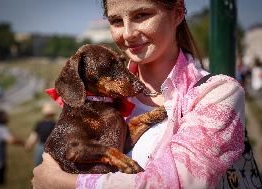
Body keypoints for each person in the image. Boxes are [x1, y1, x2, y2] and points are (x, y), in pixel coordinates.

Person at [32, 0, 245, 188]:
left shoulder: (216, 94)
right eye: (116, 21)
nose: (128, 33)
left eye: (142, 15)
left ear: (178, 12)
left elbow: (180, 183)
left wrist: (63, 183)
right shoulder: (96, 95)